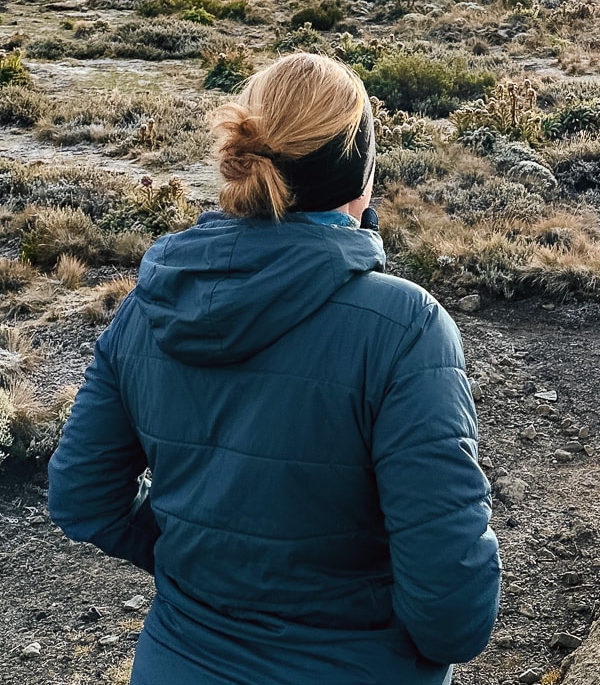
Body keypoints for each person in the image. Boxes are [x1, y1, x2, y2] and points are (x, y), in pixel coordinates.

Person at [48, 53, 501, 685]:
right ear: (360, 171)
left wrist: (203, 555)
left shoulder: (148, 306)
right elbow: (452, 604)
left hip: (179, 661)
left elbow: (81, 498)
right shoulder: (404, 327)